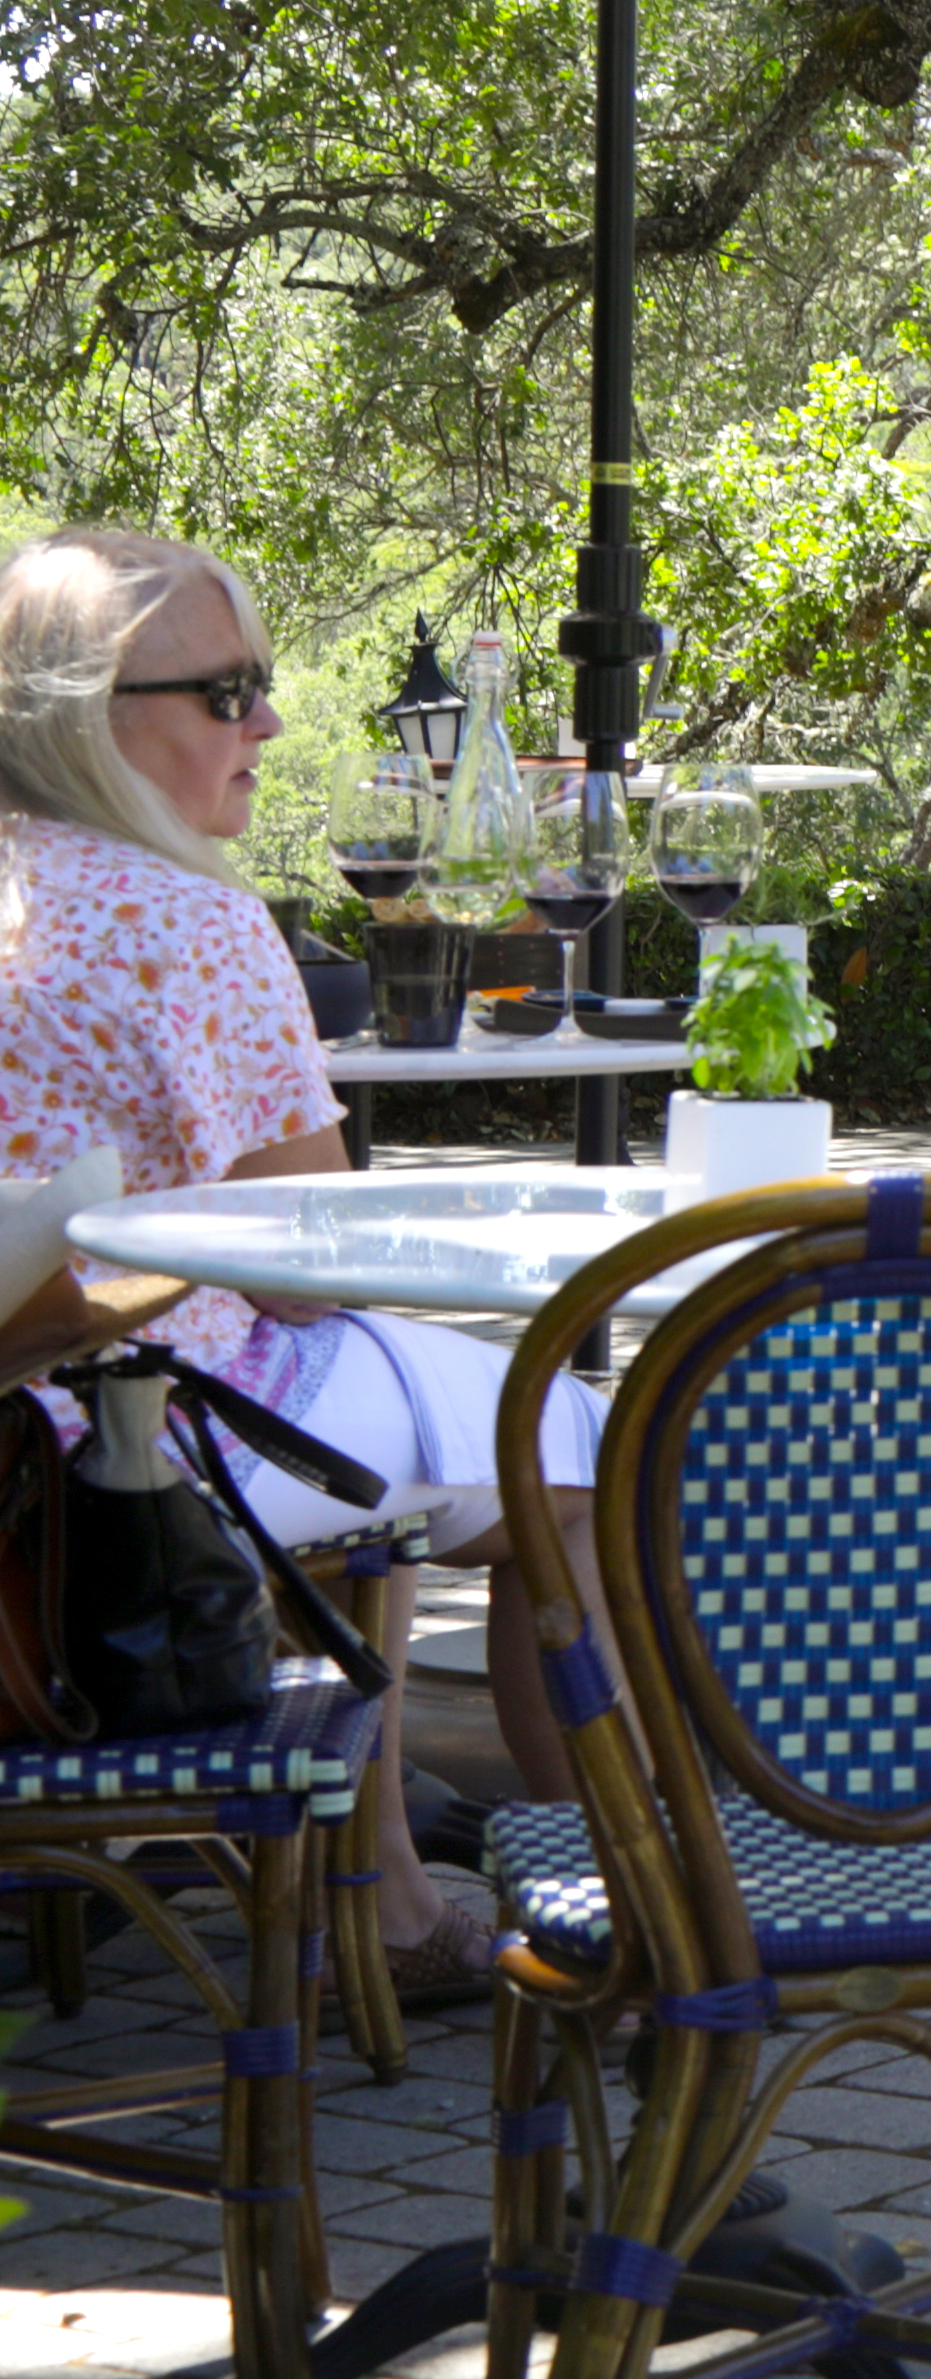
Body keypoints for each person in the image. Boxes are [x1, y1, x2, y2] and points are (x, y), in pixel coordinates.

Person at [0, 525, 604, 1983]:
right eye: (230, 693)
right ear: (89, 712)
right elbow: (301, 1268)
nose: (268, 721)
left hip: (24, 1438)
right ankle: (651, 1909)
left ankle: (387, 1889)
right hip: (129, 1446)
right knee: (574, 1451)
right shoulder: (189, 919)